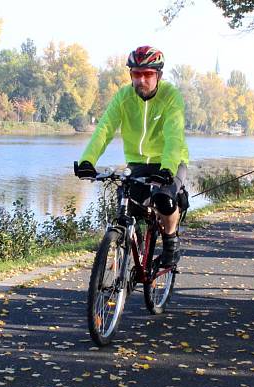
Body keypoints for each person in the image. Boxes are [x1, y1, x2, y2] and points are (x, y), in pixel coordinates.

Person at [74, 45, 189, 266]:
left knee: (164, 199)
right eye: (136, 74)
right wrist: (88, 161)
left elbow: (174, 136)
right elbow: (105, 129)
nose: (142, 80)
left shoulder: (171, 97)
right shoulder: (124, 97)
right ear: (131, 75)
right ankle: (130, 254)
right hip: (137, 162)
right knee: (128, 205)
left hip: (170, 161)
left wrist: (167, 168)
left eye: (148, 74)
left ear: (159, 75)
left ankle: (170, 242)